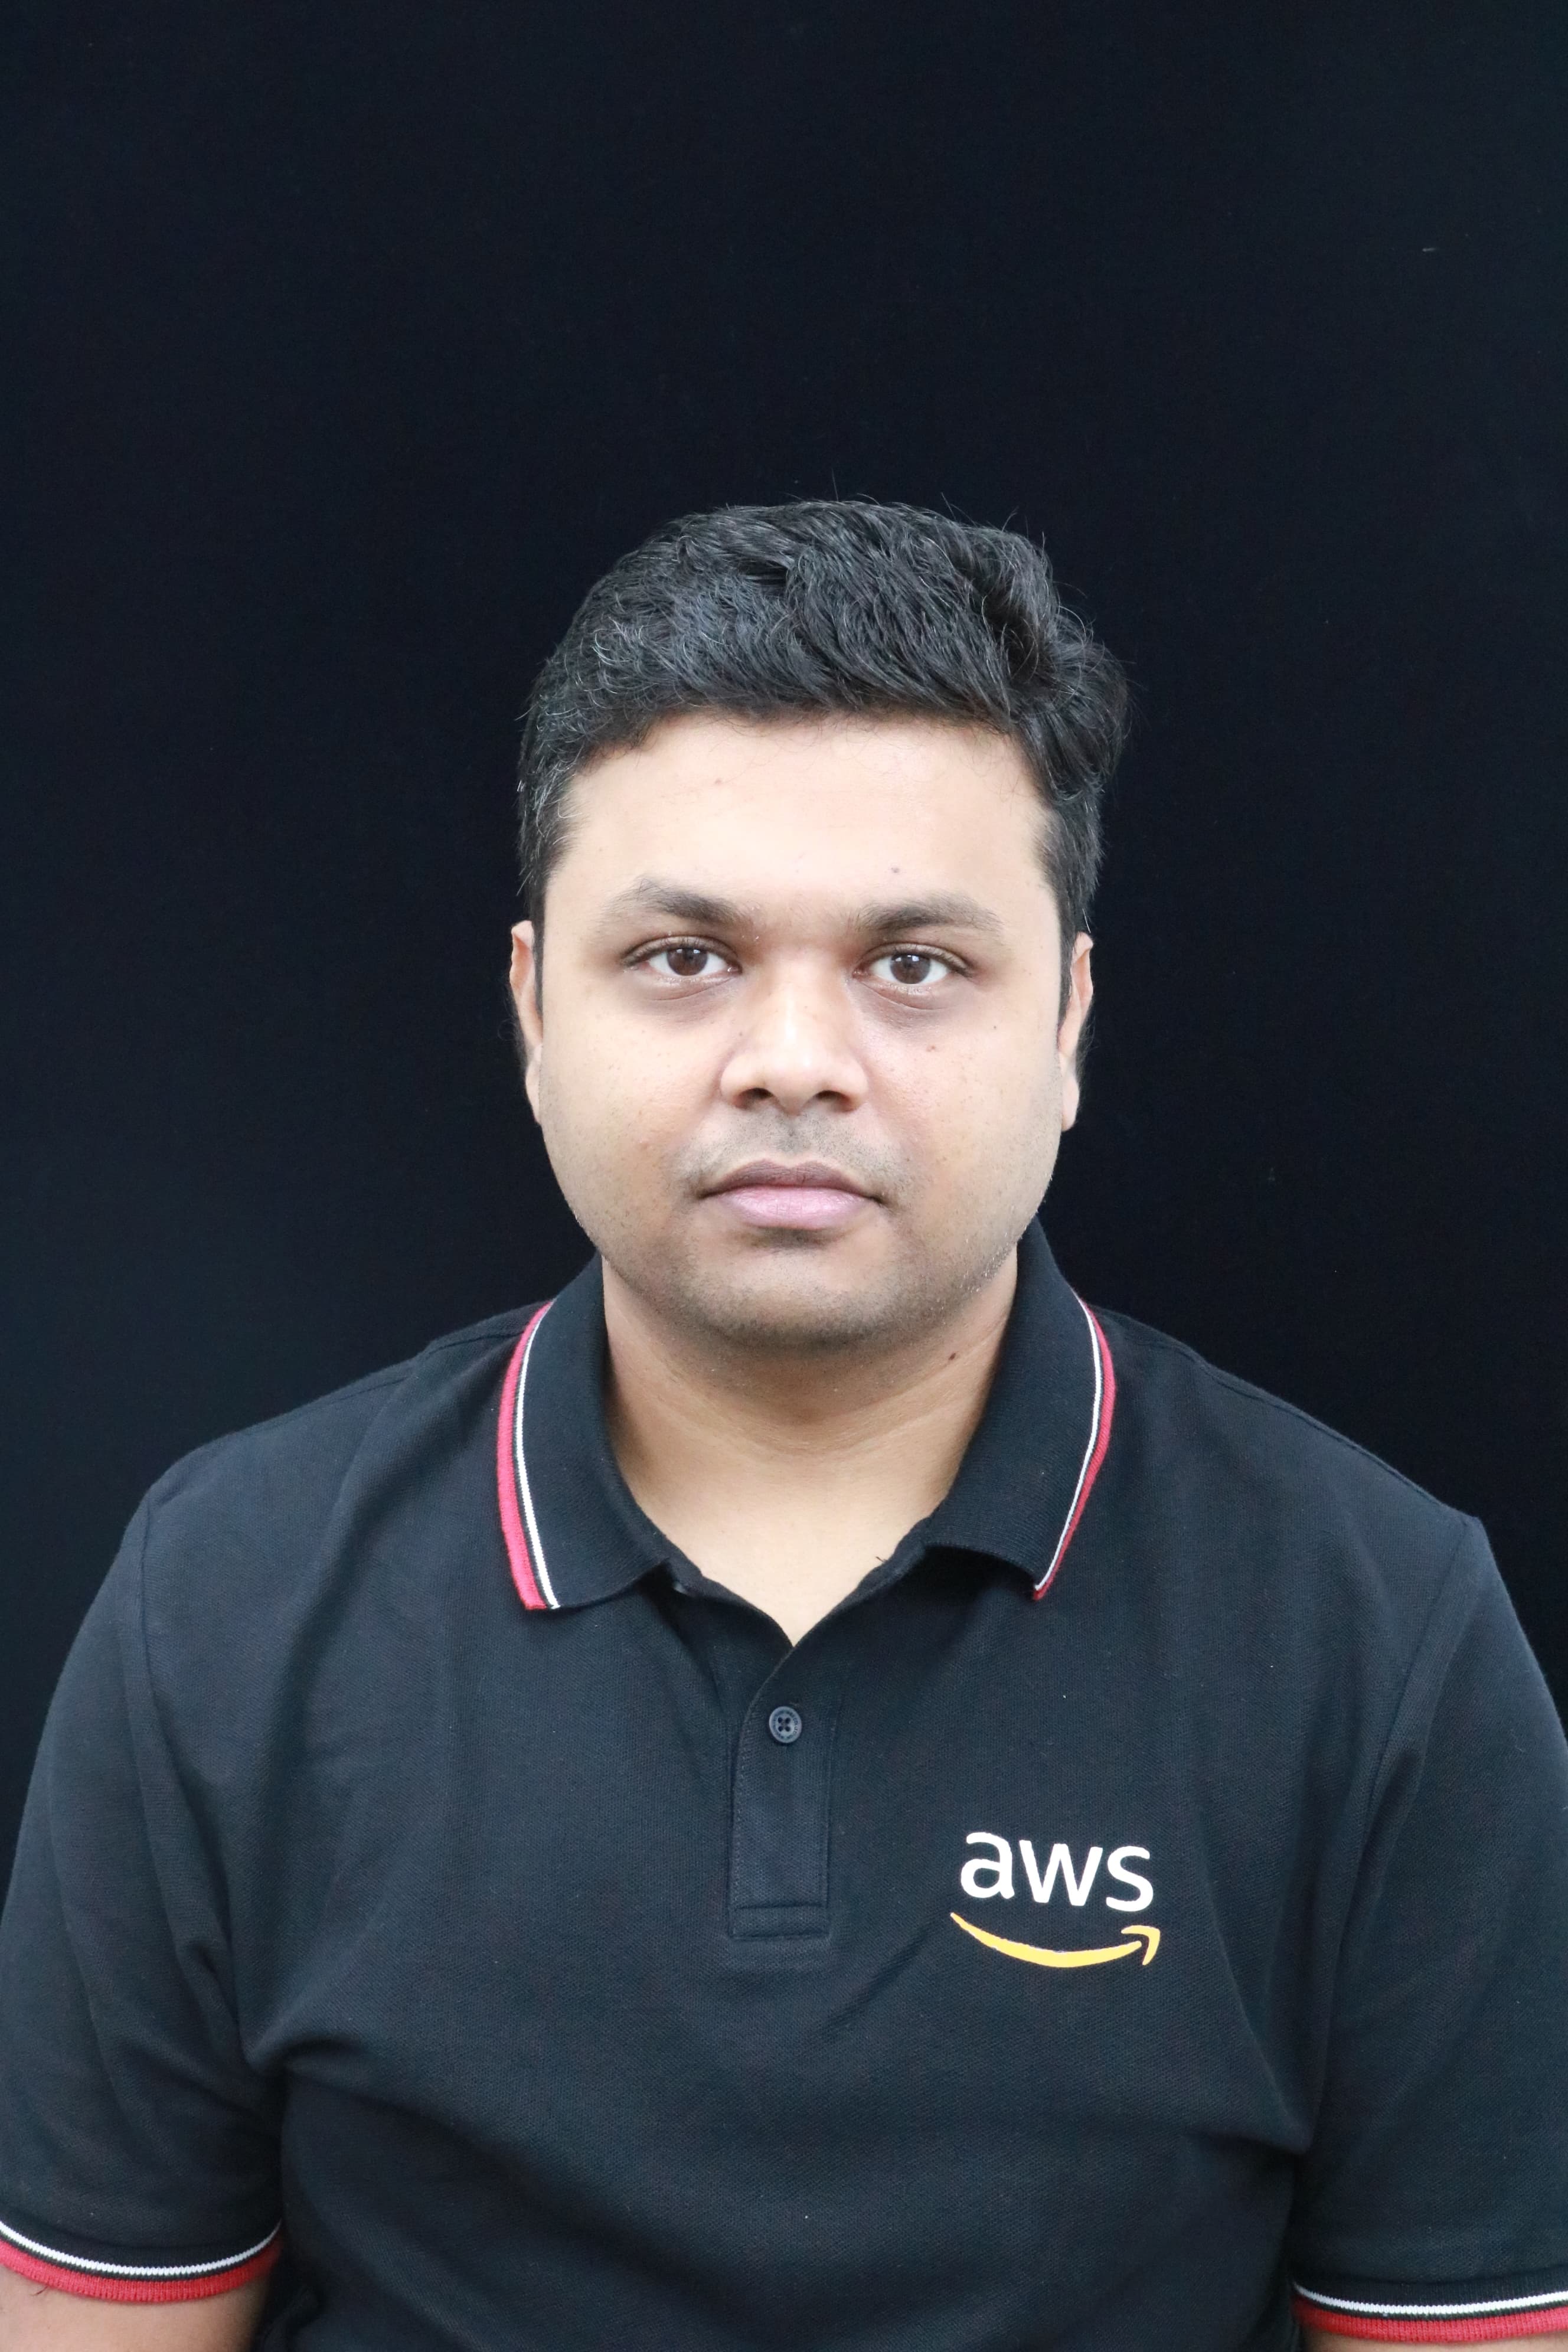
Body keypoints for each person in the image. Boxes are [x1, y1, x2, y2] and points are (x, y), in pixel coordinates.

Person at [2, 501, 1565, 2352]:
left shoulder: (1380, 1640)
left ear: (1069, 1022)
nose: (795, 1062)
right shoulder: (225, 1603)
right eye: (685, 957)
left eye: (916, 964)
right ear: (533, 1011)